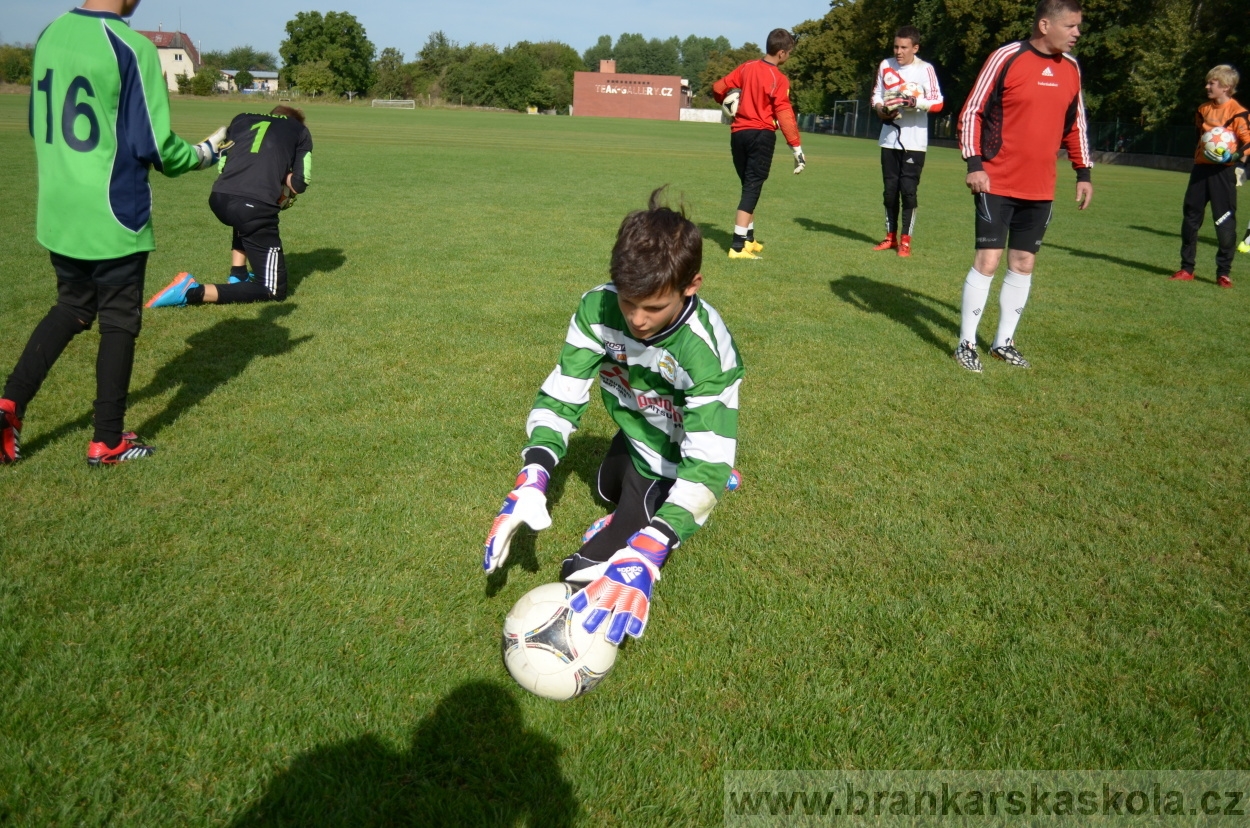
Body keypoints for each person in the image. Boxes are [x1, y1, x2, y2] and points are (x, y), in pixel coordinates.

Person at [482, 189, 743, 646]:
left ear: (692, 285)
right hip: (635, 430)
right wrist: (534, 474)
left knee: (581, 576)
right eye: (628, 302)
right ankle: (628, 495)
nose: (637, 320)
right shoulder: (596, 309)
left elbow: (705, 459)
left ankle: (690, 491)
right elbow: (563, 395)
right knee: (603, 485)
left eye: (654, 308)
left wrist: (652, 546)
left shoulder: (707, 353)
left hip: (673, 457)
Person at [0, 0, 227, 466]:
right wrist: (205, 152)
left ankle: (8, 406)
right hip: (113, 211)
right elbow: (157, 147)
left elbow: (35, 124)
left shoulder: (49, 34)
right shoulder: (130, 47)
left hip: (59, 210)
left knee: (72, 305)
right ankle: (108, 441)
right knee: (120, 320)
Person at [952, 0, 1093, 372]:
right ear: (1045, 25)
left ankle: (1003, 342)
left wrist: (1083, 172)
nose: (1078, 33)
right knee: (988, 260)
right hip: (995, 181)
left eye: (1079, 26)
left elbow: (1075, 125)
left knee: (1023, 263)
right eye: (1071, 26)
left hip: (1041, 187)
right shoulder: (1006, 57)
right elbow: (972, 111)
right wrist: (974, 164)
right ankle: (966, 343)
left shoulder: (1073, 69)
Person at [146, 106, 313, 308]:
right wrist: (284, 179)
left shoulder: (242, 119)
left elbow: (223, 166)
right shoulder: (300, 130)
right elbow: (299, 182)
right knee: (273, 290)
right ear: (295, 121)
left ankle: (238, 275)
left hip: (219, 198)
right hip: (253, 209)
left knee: (244, 214)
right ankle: (191, 292)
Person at [710, 29, 806, 260]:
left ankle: (749, 240)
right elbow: (784, 114)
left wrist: (726, 104)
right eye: (789, 53)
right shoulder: (779, 79)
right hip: (760, 136)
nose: (789, 56)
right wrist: (796, 148)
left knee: (748, 185)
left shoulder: (746, 67)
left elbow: (717, 88)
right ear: (781, 53)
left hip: (738, 134)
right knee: (753, 187)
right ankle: (737, 247)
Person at [1170, 65, 1250, 288]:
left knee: (1224, 222)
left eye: (1211, 83)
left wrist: (1234, 155)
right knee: (1190, 219)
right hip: (1200, 171)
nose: (1207, 86)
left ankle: (1223, 273)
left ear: (1225, 86)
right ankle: (1187, 268)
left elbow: (1249, 141)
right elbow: (1200, 137)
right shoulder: (1202, 109)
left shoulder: (1239, 112)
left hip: (1223, 174)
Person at [870, 25, 944, 258]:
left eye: (903, 47)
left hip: (914, 142)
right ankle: (890, 237)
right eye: (896, 46)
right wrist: (881, 109)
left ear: (915, 48)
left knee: (908, 191)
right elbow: (876, 95)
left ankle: (906, 241)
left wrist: (914, 103)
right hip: (889, 139)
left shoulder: (925, 69)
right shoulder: (885, 65)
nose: (898, 51)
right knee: (890, 192)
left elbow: (938, 102)